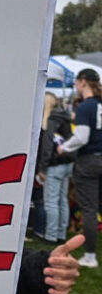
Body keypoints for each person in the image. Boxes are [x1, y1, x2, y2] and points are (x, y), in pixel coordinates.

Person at [58, 68, 102, 268]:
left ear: (83, 82)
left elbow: (82, 137)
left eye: (76, 82)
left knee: (89, 209)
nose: (75, 86)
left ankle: (90, 256)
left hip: (88, 162)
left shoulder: (86, 107)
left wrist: (63, 147)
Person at [37, 92, 74, 243]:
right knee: (62, 200)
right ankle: (61, 234)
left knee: (51, 201)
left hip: (54, 164)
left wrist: (42, 168)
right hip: (67, 163)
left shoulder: (50, 120)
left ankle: (51, 235)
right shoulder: (64, 117)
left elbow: (47, 146)